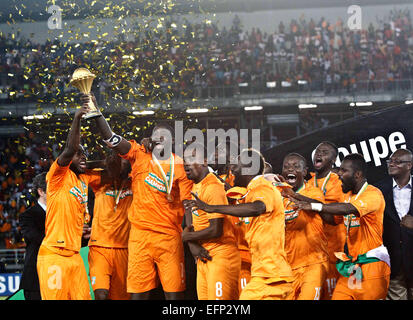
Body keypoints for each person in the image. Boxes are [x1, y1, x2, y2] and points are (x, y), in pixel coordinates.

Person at [83, 94, 193, 300]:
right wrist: (96, 113)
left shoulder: (181, 167)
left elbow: (188, 206)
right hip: (139, 237)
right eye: (156, 136)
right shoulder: (139, 154)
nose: (159, 140)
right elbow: (112, 139)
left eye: (164, 137)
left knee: (174, 296)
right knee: (137, 296)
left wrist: (192, 237)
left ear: (173, 141)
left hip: (169, 237)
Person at [187, 149, 294, 300]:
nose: (232, 169)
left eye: (236, 165)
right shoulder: (249, 192)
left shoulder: (262, 187)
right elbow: (227, 190)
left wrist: (210, 208)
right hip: (263, 274)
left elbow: (258, 207)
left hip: (272, 277)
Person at [291, 153, 391, 300]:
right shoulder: (346, 196)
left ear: (357, 174)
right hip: (353, 266)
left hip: (372, 265)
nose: (339, 174)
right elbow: (332, 218)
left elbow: (347, 209)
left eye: (344, 171)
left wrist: (314, 206)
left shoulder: (373, 194)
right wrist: (298, 197)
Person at [37, 104, 94, 300]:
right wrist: (77, 118)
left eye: (85, 153)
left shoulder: (83, 180)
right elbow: (70, 149)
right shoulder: (57, 176)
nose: (83, 157)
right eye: (79, 154)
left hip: (75, 255)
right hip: (54, 255)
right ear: (68, 159)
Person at [182, 143, 241, 300]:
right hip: (204, 255)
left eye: (192, 158)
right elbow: (191, 223)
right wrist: (193, 244)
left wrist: (187, 238)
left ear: (205, 161)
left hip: (220, 255)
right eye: (185, 159)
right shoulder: (195, 186)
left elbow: (216, 230)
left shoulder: (213, 186)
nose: (186, 163)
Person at [280, 153, 328, 300]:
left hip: (313, 263)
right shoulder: (277, 196)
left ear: (305, 171)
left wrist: (293, 195)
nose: (290, 169)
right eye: (286, 166)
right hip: (287, 267)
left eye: (296, 166)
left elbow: (318, 205)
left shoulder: (313, 191)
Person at [87, 151, 132, 300]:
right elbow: (77, 167)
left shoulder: (135, 181)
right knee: (101, 295)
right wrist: (103, 163)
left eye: (124, 160)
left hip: (125, 249)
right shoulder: (101, 180)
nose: (121, 163)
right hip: (99, 247)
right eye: (118, 160)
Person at [307, 141, 346, 299]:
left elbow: (335, 220)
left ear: (333, 160)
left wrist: (315, 205)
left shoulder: (339, 182)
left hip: (334, 254)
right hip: (312, 255)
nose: (319, 154)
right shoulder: (308, 184)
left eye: (324, 152)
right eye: (317, 151)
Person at [377, 148, 413, 300]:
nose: (391, 164)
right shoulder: (378, 189)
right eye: (390, 161)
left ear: (409, 165)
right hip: (393, 264)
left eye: (397, 162)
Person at [19, 172, 47, 300]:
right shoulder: (28, 215)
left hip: (60, 274)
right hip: (36, 278)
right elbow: (34, 237)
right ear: (41, 192)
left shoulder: (62, 213)